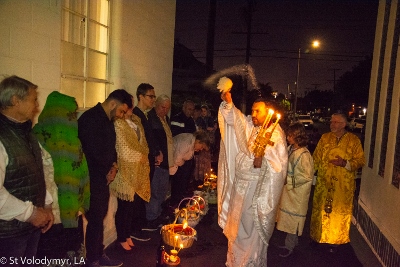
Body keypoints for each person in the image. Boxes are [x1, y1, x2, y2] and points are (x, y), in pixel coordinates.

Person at [217, 78, 288, 266]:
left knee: (249, 227)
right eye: (253, 110)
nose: (253, 114)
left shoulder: (274, 134)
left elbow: (279, 166)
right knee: (237, 227)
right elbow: (236, 121)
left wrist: (262, 162)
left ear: (269, 113)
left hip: (255, 192)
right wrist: (229, 103)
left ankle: (249, 262)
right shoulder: (252, 126)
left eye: (258, 111)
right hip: (241, 190)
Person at [0, 75, 54, 261]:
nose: (37, 105)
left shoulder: (26, 132)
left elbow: (37, 171)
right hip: (8, 233)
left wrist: (46, 206)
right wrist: (31, 213)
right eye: (33, 99)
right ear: (15, 100)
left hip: (30, 226)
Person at [78, 89, 132, 267]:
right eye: (121, 111)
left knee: (99, 217)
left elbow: (111, 148)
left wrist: (114, 166)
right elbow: (92, 152)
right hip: (90, 178)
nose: (122, 115)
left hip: (103, 177)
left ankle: (98, 254)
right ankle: (92, 259)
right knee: (94, 219)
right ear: (112, 103)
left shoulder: (108, 120)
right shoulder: (89, 119)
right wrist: (108, 168)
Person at [33, 91, 89, 256]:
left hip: (73, 211)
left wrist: (83, 201)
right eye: (70, 114)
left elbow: (82, 170)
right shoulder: (35, 139)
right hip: (50, 215)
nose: (73, 118)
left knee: (72, 253)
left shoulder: (73, 139)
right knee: (52, 255)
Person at [310, 113, 365, 253]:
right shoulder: (325, 138)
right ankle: (319, 237)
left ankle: (335, 241)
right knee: (321, 211)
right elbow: (315, 158)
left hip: (342, 184)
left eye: (336, 122)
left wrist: (344, 163)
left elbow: (360, 161)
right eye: (331, 121)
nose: (332, 124)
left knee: (338, 213)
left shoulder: (353, 140)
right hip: (324, 181)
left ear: (343, 125)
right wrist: (308, 174)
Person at [109, 96, 150, 252]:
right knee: (124, 207)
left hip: (137, 170)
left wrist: (144, 155)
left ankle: (127, 235)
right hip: (124, 170)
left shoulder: (136, 121)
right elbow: (123, 149)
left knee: (131, 207)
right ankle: (121, 237)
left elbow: (142, 143)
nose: (130, 109)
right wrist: (141, 156)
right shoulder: (118, 123)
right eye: (128, 106)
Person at [276, 123, 314, 257]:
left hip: (297, 194)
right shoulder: (291, 149)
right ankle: (292, 242)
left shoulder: (304, 155)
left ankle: (289, 246)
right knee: (288, 220)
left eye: (290, 135)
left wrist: (289, 180)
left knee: (293, 221)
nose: (287, 138)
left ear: (297, 136)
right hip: (289, 193)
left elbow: (307, 176)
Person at [131, 83, 161, 240]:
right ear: (140, 96)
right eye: (151, 96)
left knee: (143, 195)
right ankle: (134, 229)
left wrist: (157, 152)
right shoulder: (135, 115)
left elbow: (150, 138)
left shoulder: (146, 115)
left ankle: (140, 225)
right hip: (140, 163)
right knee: (138, 196)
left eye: (154, 96)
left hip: (148, 161)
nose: (153, 100)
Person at [146, 95, 173, 229]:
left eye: (167, 108)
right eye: (163, 107)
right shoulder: (150, 118)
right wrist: (156, 152)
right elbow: (151, 139)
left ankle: (157, 215)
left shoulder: (165, 119)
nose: (165, 111)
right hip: (157, 162)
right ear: (156, 104)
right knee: (155, 192)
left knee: (162, 192)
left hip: (166, 162)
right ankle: (151, 218)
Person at [170, 100, 196, 206]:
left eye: (192, 110)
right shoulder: (176, 118)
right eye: (189, 109)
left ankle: (182, 199)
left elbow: (194, 135)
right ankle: (175, 202)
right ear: (184, 108)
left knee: (186, 178)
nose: (191, 112)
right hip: (179, 153)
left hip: (188, 153)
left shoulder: (191, 121)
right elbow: (176, 134)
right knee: (178, 179)